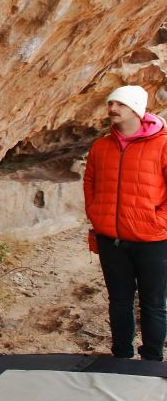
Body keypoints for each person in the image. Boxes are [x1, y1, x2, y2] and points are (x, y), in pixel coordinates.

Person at [83, 84, 167, 360]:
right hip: (111, 240)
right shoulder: (101, 146)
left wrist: (159, 221)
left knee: (153, 304)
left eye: (119, 104)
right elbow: (90, 181)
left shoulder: (163, 143)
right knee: (119, 301)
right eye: (110, 103)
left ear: (136, 109)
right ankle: (120, 356)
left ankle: (152, 360)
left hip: (153, 240)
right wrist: (96, 214)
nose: (112, 108)